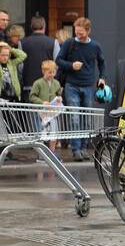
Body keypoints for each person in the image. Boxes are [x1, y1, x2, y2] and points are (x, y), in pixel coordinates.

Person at [54, 17, 107, 161]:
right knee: (75, 117)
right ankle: (76, 149)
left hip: (88, 85)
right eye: (76, 32)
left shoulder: (95, 46)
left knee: (87, 119)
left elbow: (102, 63)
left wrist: (102, 77)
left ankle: (83, 148)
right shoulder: (69, 43)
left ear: (88, 31)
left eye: (81, 33)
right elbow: (58, 60)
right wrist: (71, 65)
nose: (78, 35)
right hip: (72, 85)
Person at [18, 16, 55, 102]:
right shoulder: (53, 42)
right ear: (44, 27)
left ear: (31, 27)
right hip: (48, 85)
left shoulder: (22, 43)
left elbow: (20, 66)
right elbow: (57, 64)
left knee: (30, 114)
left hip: (28, 85)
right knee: (47, 114)